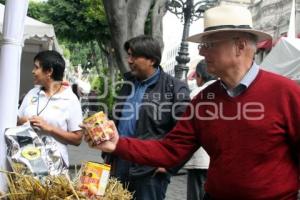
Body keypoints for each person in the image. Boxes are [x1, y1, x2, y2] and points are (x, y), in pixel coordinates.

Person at [85, 5, 300, 200]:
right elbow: (171, 149)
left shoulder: (287, 93)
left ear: (240, 46)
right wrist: (118, 143)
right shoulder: (203, 102)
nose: (201, 51)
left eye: (209, 44)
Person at [103, 35, 190, 200]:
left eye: (133, 56)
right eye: (128, 55)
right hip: (119, 161)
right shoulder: (127, 84)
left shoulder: (175, 89)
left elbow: (186, 133)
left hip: (149, 171)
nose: (129, 60)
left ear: (151, 60)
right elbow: (116, 118)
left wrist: (171, 166)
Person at [18, 50, 83, 166]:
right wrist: (25, 121)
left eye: (36, 67)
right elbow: (17, 120)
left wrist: (49, 128)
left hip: (55, 168)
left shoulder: (70, 99)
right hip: (27, 163)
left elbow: (77, 139)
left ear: (49, 71)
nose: (33, 71)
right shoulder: (32, 93)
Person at [184, 60, 216, 200]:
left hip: (199, 158)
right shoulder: (226, 91)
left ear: (199, 76)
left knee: (196, 195)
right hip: (216, 160)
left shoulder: (195, 94)